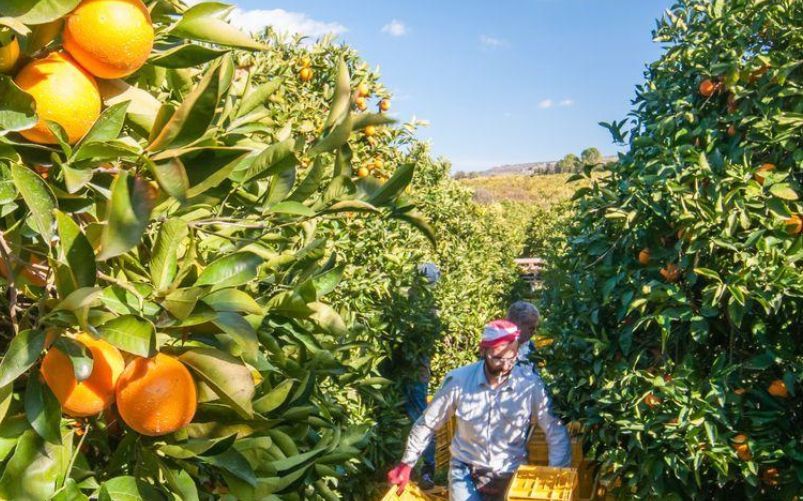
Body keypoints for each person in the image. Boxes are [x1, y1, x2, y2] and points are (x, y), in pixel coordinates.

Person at [387, 320, 571, 500]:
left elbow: (555, 430)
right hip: (466, 470)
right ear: (483, 351)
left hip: (510, 472)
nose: (506, 365)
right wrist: (407, 462)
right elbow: (428, 423)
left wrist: (557, 475)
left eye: (512, 358)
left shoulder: (529, 385)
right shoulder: (459, 381)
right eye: (498, 358)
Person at [400, 262, 441, 489]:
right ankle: (412, 464)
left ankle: (427, 468)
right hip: (407, 369)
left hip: (416, 370)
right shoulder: (407, 303)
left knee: (420, 416)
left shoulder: (427, 310)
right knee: (413, 414)